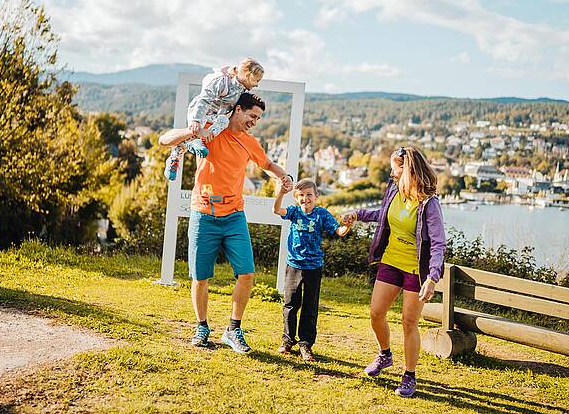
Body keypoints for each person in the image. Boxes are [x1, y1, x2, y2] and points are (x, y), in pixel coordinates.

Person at [161, 92, 293, 354]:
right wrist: (192, 130)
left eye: (258, 118)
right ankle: (202, 326)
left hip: (234, 215)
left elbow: (266, 163)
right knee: (200, 277)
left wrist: (283, 176)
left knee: (247, 272)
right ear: (237, 110)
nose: (254, 121)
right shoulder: (211, 130)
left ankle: (233, 329)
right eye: (252, 115)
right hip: (203, 212)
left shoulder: (249, 142)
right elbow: (164, 140)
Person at [341, 147, 446, 398]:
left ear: (407, 170)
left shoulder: (428, 204)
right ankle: (385, 355)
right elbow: (383, 215)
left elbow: (439, 243)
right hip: (391, 261)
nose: (391, 172)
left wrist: (432, 277)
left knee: (409, 322)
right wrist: (358, 214)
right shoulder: (393, 189)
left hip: (415, 270)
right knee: (376, 313)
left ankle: (409, 376)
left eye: (395, 168)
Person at [272, 178, 349, 361]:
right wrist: (281, 193)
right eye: (301, 195)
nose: (305, 199)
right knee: (290, 304)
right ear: (296, 197)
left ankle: (305, 344)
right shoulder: (294, 212)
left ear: (316, 196)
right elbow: (276, 210)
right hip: (294, 265)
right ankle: (288, 341)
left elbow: (339, 231)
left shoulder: (322, 214)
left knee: (310, 307)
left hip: (314, 267)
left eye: (309, 195)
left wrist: (348, 224)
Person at [161, 57, 265, 180]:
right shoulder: (223, 83)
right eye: (256, 80)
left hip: (214, 116)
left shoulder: (241, 90)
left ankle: (195, 142)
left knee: (224, 121)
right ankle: (179, 153)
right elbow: (204, 99)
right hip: (201, 112)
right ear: (248, 75)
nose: (257, 84)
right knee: (197, 129)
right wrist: (196, 121)